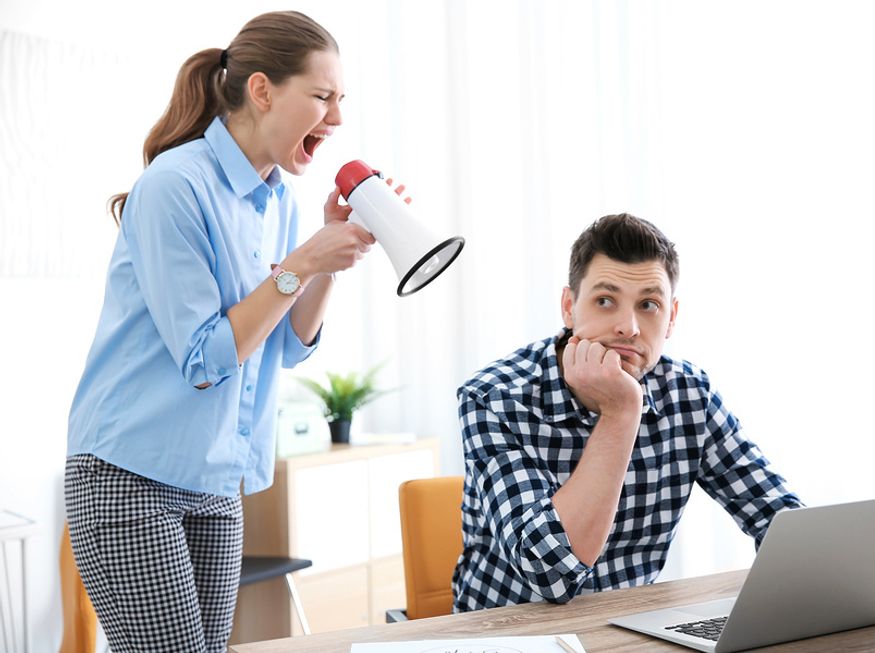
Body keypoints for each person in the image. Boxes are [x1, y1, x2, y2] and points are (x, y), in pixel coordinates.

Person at [64, 11, 390, 652]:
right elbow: (207, 357)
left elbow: (287, 345)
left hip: (216, 482)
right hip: (129, 478)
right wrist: (302, 262)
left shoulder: (277, 200)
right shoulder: (174, 186)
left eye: (341, 100)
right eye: (322, 97)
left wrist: (329, 258)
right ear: (263, 90)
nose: (337, 118)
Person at [453, 213, 803, 612]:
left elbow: (781, 520)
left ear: (671, 318)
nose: (628, 327)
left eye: (649, 305)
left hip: (632, 629)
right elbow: (551, 574)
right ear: (569, 307)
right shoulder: (494, 397)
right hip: (512, 633)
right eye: (605, 300)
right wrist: (621, 411)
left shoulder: (689, 392)